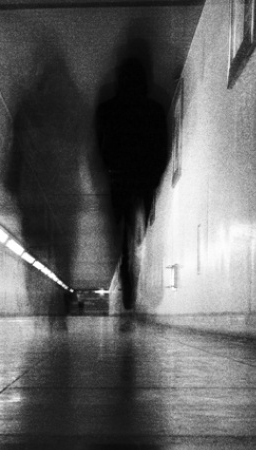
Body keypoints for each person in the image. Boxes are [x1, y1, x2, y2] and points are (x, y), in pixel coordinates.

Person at [95, 58, 168, 313]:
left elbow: (100, 146)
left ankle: (127, 273)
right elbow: (162, 149)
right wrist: (155, 181)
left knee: (121, 234)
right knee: (137, 233)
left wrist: (107, 170)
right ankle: (132, 274)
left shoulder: (107, 109)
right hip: (143, 180)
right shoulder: (155, 109)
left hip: (118, 178)